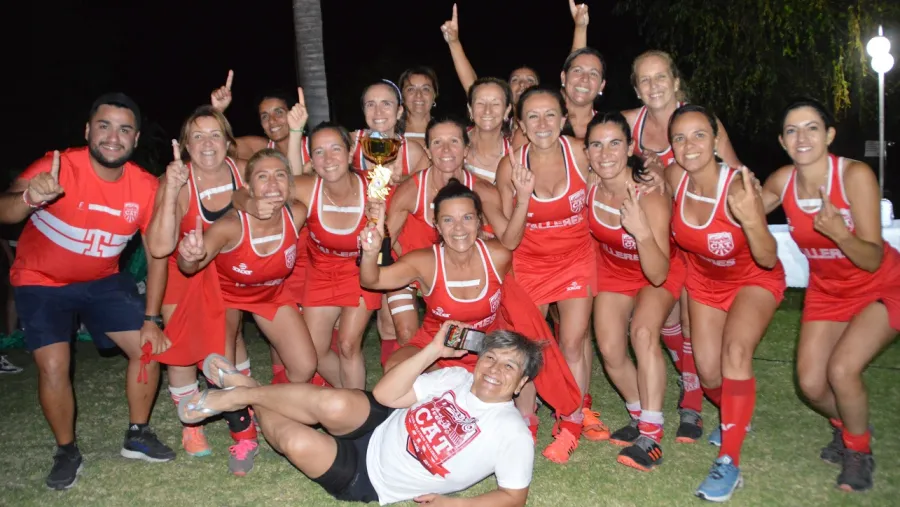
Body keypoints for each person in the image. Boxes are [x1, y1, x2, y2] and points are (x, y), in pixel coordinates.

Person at [0, 93, 175, 489]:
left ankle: (138, 434)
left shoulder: (145, 187)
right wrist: (30, 198)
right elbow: (5, 208)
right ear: (88, 130)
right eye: (104, 125)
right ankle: (67, 450)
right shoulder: (56, 165)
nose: (113, 136)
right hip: (40, 282)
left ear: (136, 138)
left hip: (102, 281)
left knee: (150, 347)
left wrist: (152, 318)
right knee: (55, 365)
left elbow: (158, 255)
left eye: (124, 129)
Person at [177, 320, 537, 506]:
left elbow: (512, 497)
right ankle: (236, 395)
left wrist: (454, 505)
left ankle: (248, 391)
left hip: (372, 478)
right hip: (383, 420)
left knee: (294, 441)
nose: (494, 369)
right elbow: (385, 394)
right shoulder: (457, 376)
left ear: (521, 384)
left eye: (510, 367)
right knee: (332, 403)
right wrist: (431, 351)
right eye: (490, 357)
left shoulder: (512, 433)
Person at [362, 178, 582, 450]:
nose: (459, 229)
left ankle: (523, 417)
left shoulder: (499, 255)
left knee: (519, 358)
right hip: (438, 346)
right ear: (436, 224)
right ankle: (445, 413)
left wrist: (516, 351)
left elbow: (516, 309)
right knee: (396, 371)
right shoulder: (424, 261)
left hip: (486, 348)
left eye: (467, 218)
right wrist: (371, 252)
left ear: (479, 221)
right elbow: (373, 280)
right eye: (448, 220)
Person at [758, 98, 900, 492]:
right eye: (791, 130)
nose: (801, 137)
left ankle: (859, 450)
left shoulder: (854, 176)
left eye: (811, 128)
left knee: (841, 370)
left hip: (882, 284)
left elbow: (872, 257)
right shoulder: (781, 181)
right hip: (828, 290)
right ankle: (849, 425)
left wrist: (840, 233)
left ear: (829, 135)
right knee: (812, 384)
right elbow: (744, 213)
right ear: (782, 142)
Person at [621, 50, 745, 442]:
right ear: (636, 88)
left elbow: (735, 177)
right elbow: (589, 142)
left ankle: (694, 403)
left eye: (661, 77)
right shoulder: (629, 124)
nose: (654, 85)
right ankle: (693, 388)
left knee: (693, 324)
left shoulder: (700, 123)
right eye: (645, 79)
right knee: (668, 320)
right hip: (659, 237)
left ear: (676, 81)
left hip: (698, 237)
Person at [665, 104, 785, 502]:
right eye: (679, 138)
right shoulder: (673, 178)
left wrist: (752, 220)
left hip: (753, 276)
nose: (689, 145)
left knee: (736, 352)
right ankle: (737, 411)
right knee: (710, 375)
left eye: (699, 135)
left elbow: (767, 257)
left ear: (716, 140)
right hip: (704, 282)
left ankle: (729, 463)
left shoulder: (738, 187)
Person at [144, 106, 262, 472]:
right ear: (185, 145)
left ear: (229, 142)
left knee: (231, 338)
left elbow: (273, 147)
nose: (207, 144)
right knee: (182, 347)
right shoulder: (177, 180)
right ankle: (190, 423)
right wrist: (172, 189)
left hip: (224, 269)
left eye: (215, 135)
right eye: (198, 136)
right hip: (183, 270)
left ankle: (242, 409)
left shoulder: (240, 169)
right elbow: (160, 247)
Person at [496, 86, 605, 463]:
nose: (542, 123)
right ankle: (526, 420)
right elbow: (508, 235)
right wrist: (523, 197)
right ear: (522, 124)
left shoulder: (580, 152)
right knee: (529, 345)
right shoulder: (510, 166)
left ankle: (572, 419)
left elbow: (619, 171)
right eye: (532, 117)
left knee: (572, 342)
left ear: (563, 119)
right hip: (529, 262)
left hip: (576, 257)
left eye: (549, 115)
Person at [238, 123, 381, 390]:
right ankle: (356, 403)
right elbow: (243, 193)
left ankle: (359, 414)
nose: (328, 159)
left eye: (335, 149)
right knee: (314, 351)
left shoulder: (375, 183)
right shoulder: (306, 187)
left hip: (362, 270)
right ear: (311, 161)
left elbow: (408, 197)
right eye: (319, 152)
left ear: (350, 153)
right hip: (323, 271)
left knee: (348, 344)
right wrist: (249, 204)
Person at [585, 112, 685, 471]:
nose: (605, 153)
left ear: (630, 148)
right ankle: (638, 411)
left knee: (642, 333)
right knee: (610, 347)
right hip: (615, 271)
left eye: (615, 143)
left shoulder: (651, 198)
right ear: (587, 152)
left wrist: (641, 231)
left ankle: (652, 435)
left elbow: (658, 273)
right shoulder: (589, 186)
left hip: (657, 270)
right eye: (596, 144)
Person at [440, 1, 590, 148]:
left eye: (530, 80)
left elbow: (574, 70)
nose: (523, 84)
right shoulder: (499, 121)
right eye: (516, 80)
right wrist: (454, 42)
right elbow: (473, 86)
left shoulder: (552, 116)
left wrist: (580, 27)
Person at [463, 78, 513, 184]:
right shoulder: (451, 142)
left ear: (507, 110)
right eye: (480, 103)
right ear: (470, 109)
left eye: (496, 104)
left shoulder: (514, 156)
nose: (487, 110)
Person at [398, 67, 440, 149]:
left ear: (434, 94)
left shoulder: (445, 130)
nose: (418, 95)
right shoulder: (391, 131)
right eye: (411, 89)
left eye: (425, 89)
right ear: (402, 96)